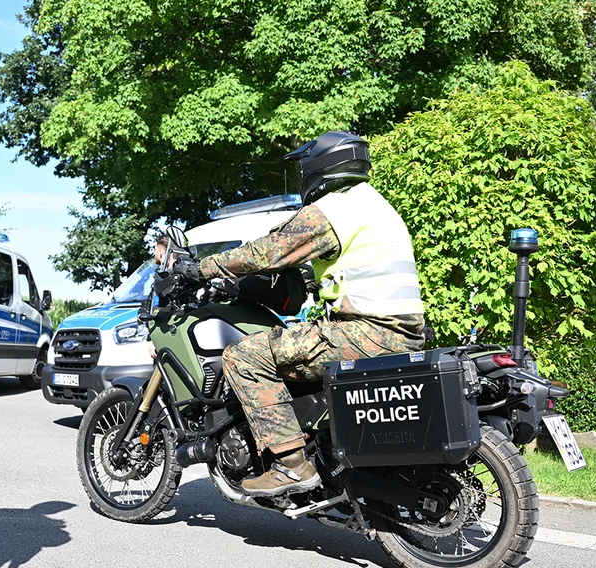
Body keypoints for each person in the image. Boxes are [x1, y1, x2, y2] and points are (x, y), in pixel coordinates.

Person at [171, 131, 425, 496]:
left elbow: (269, 252)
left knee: (245, 356)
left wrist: (203, 268)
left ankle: (290, 466)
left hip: (365, 334)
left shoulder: (335, 209)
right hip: (401, 333)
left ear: (319, 167)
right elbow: (342, 270)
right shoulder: (375, 207)